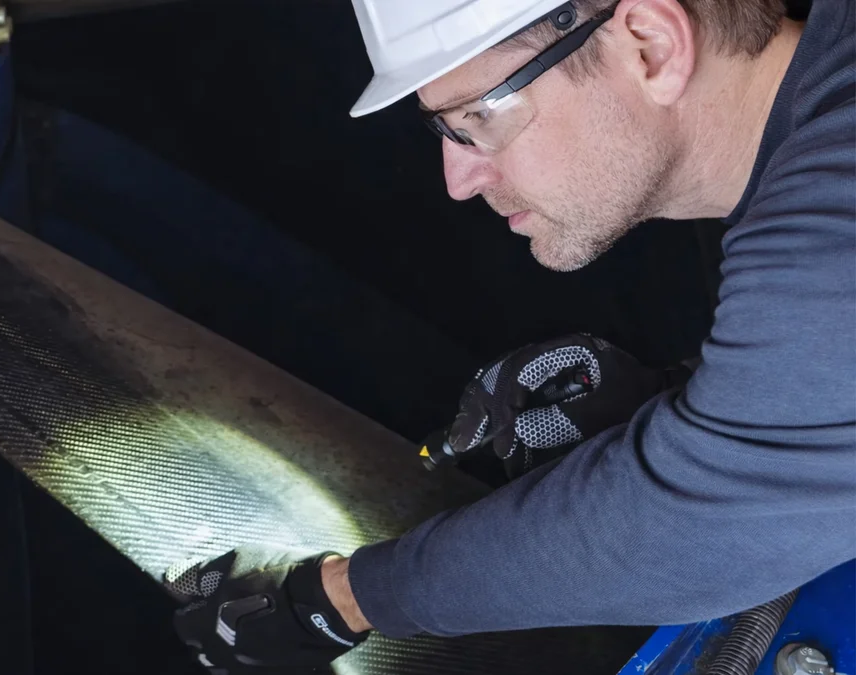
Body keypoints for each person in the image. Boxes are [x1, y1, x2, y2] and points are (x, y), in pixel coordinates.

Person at [165, 0, 855, 672]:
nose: (460, 179)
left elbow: (694, 530)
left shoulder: (826, 238)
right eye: (444, 131)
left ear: (653, 46)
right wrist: (705, 400)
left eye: (479, 118)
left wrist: (344, 597)